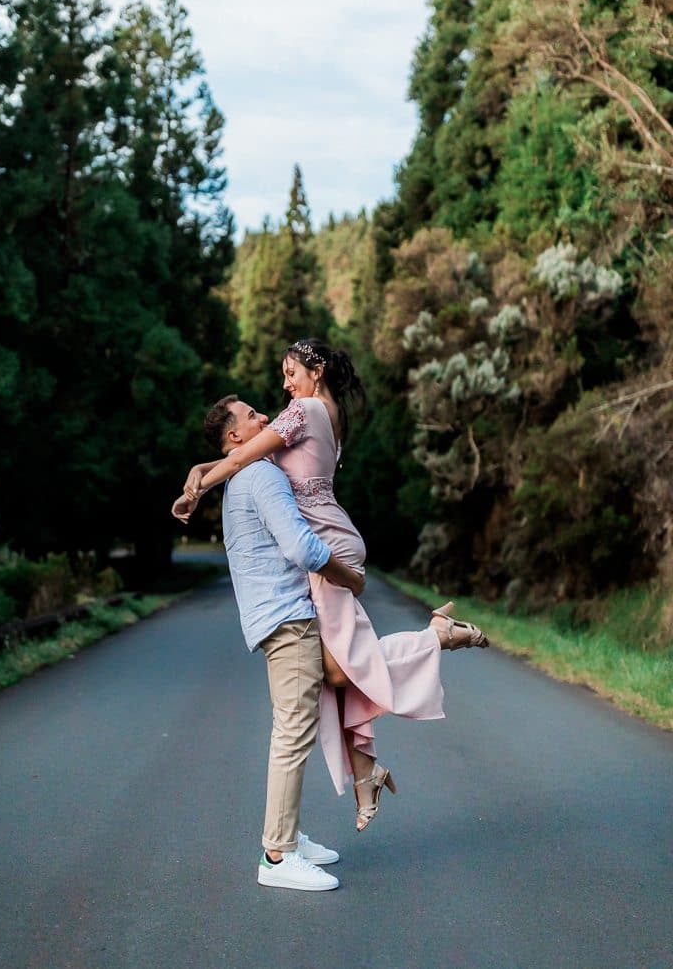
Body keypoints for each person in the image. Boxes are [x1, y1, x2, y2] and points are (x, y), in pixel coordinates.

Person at [174, 339, 488, 832]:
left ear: (315, 371)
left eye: (290, 372)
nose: (284, 384)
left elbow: (239, 459)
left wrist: (196, 484)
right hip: (329, 539)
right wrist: (198, 471)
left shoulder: (304, 411)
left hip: (328, 549)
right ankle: (367, 775)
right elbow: (238, 455)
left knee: (341, 672)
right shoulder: (322, 410)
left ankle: (437, 636)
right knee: (335, 671)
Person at [209, 395, 368, 891]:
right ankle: (277, 856)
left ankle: (291, 838)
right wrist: (350, 577)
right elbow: (300, 546)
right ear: (234, 437)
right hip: (289, 619)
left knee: (294, 726)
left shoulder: (239, 479)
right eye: (252, 416)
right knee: (293, 732)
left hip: (271, 617)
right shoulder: (261, 475)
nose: (264, 418)